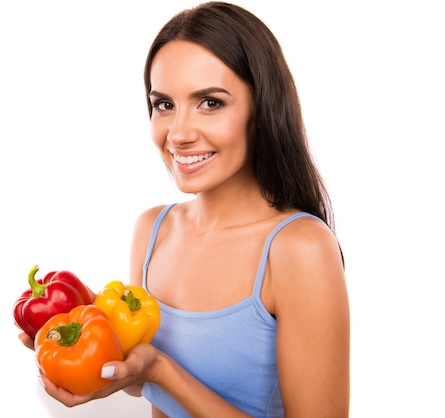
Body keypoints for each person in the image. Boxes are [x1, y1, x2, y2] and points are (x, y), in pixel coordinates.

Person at [18, 2, 350, 417]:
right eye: (164, 104)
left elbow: (160, 375)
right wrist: (81, 342)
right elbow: (144, 384)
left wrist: (162, 371)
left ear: (261, 111)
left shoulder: (299, 248)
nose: (178, 134)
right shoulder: (152, 230)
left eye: (210, 103)